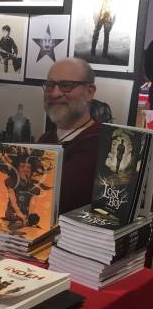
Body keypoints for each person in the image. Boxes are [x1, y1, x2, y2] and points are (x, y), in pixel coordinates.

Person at [39, 57, 102, 214]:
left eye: (66, 86)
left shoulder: (105, 148)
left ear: (89, 92)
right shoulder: (44, 141)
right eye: (50, 85)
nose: (55, 93)